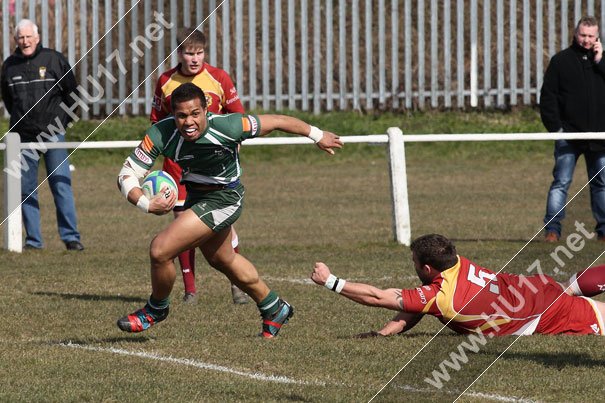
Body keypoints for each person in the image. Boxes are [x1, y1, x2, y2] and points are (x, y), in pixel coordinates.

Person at [116, 83, 343, 337]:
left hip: (225, 198)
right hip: (196, 197)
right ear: (173, 115)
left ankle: (156, 309)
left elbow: (277, 120)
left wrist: (317, 134)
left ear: (206, 110)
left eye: (195, 114)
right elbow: (127, 174)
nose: (188, 122)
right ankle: (274, 307)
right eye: (181, 115)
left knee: (160, 250)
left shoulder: (228, 126)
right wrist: (147, 203)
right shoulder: (161, 132)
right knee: (223, 259)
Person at [311, 233, 605, 337]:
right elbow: (418, 303)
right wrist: (386, 331)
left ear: (427, 268)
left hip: (545, 313)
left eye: (414, 263)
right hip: (536, 287)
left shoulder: (441, 296)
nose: (413, 267)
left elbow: (377, 297)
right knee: (568, 286)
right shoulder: (456, 263)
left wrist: (331, 282)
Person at [151, 27, 248, 304]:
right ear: (178, 53)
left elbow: (238, 117)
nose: (194, 58)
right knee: (181, 224)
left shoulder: (218, 78)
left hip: (216, 165)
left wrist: (235, 143)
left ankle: (236, 285)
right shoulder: (166, 81)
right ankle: (190, 290)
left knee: (224, 226)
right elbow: (157, 121)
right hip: (178, 165)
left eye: (199, 53)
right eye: (188, 53)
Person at [0, 19, 83, 251]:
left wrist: (63, 122)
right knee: (26, 190)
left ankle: (71, 238)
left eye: (29, 37)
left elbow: (73, 93)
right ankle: (33, 241)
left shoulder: (54, 59)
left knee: (61, 185)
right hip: (23, 138)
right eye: (21, 38)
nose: (25, 41)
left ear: (37, 38)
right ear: (16, 40)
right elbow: (8, 99)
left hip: (53, 134)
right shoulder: (9, 66)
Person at [540, 16, 605, 243]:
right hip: (568, 135)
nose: (586, 40)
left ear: (597, 36)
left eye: (591, 36)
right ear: (575, 33)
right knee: (561, 182)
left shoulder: (603, 61)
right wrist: (556, 128)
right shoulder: (560, 61)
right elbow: (548, 97)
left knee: (601, 183)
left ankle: (604, 230)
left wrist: (600, 61)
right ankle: (553, 229)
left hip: (599, 137)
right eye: (583, 35)